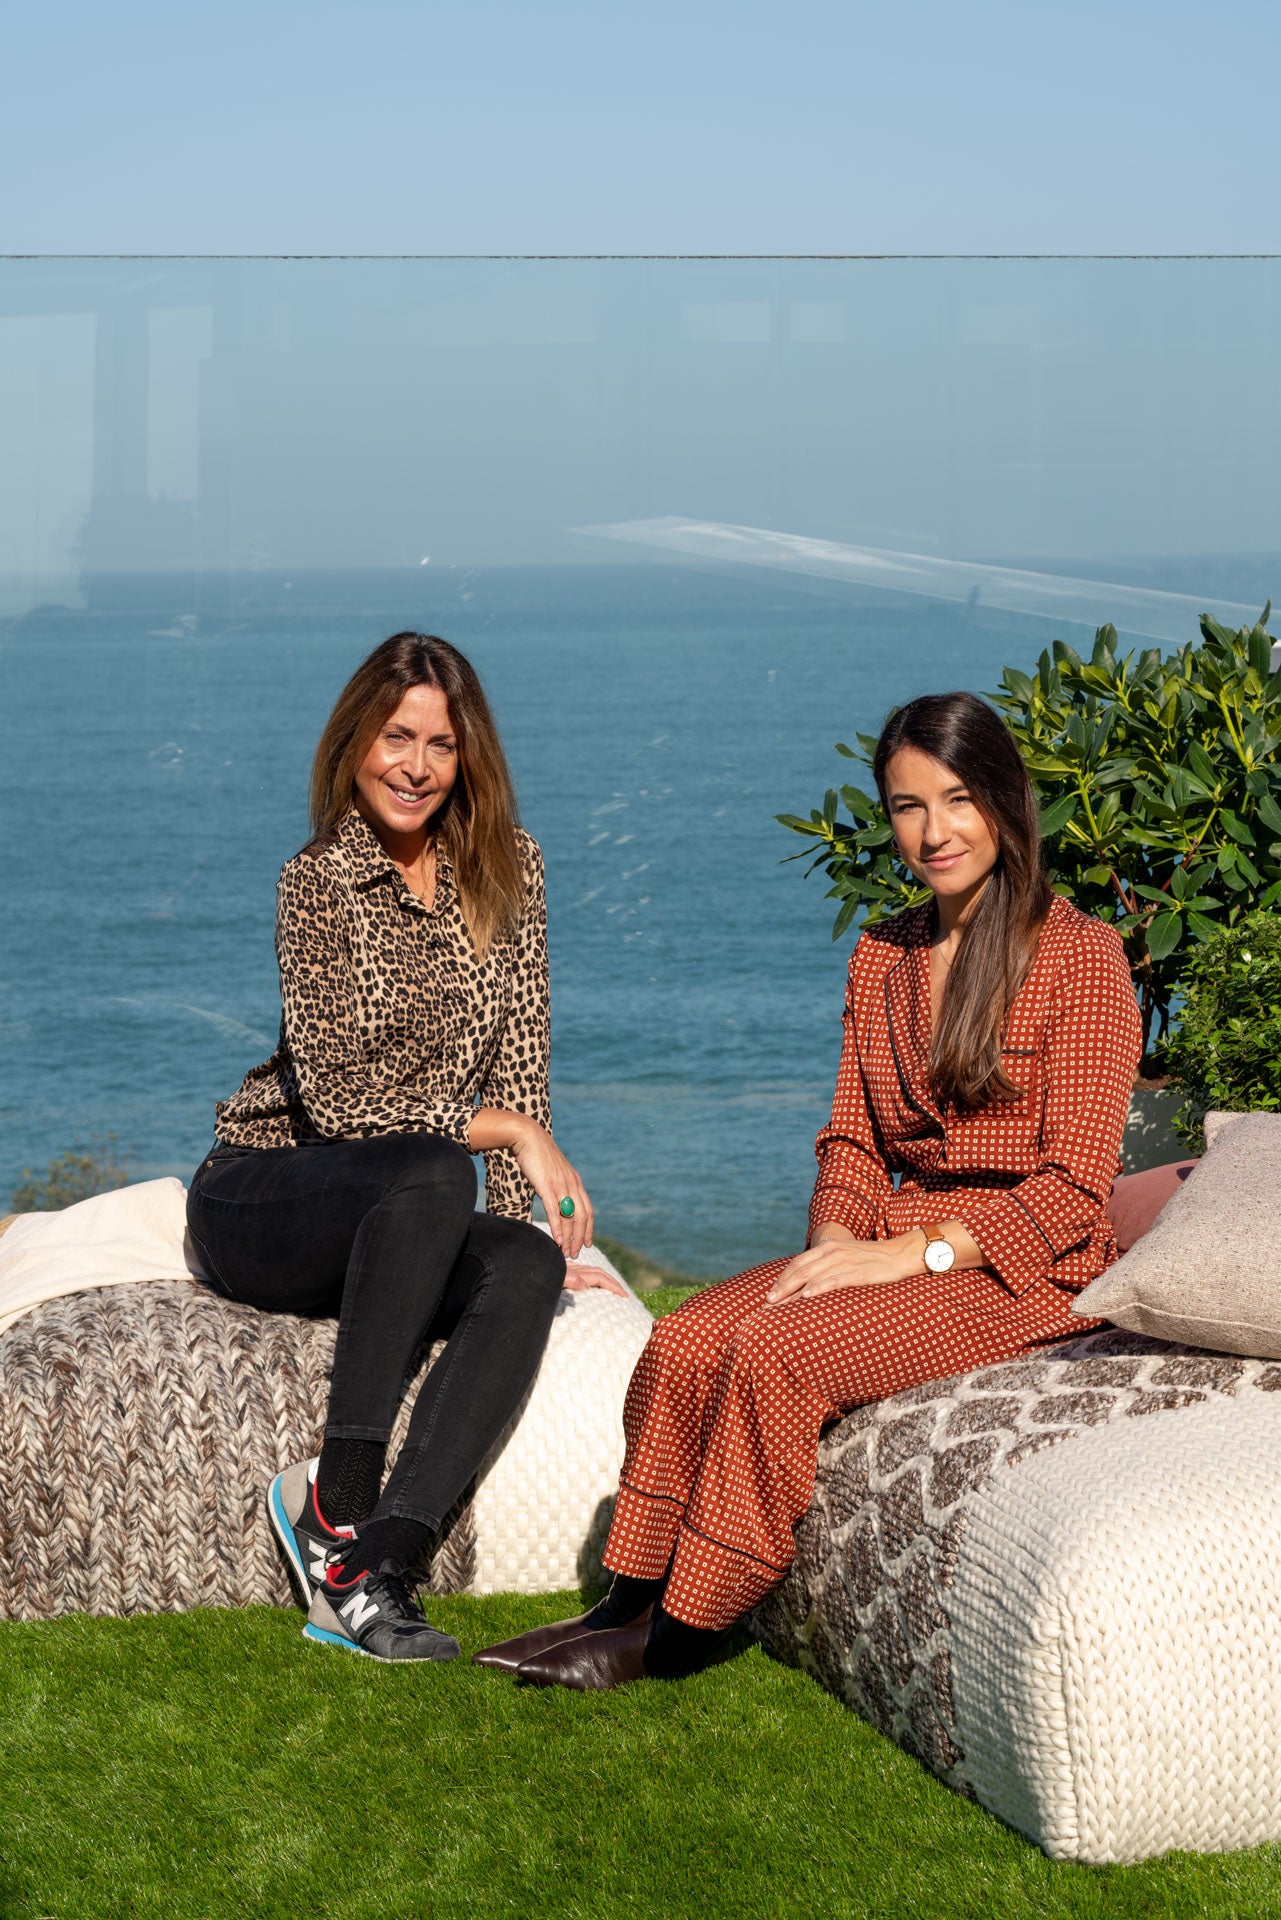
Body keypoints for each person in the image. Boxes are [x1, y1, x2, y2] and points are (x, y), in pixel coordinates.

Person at [475, 689, 1142, 1688]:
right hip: (897, 1240)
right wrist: (836, 1248)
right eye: (908, 807)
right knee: (690, 1334)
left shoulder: (1082, 958)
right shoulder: (884, 955)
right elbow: (853, 1143)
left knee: (778, 1354)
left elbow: (1074, 1189)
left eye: (956, 799)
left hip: (1026, 1268)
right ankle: (627, 1595)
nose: (934, 831)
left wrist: (906, 1256)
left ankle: (684, 1630)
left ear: (1004, 802)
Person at [187, 631, 614, 1664]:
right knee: (431, 1163)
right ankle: (333, 1505)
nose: (415, 766)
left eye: (439, 744)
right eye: (395, 737)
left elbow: (520, 1063)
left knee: (517, 1262)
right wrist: (510, 1133)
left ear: (469, 759)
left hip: (401, 1208)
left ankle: (378, 1562)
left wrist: (545, 1228)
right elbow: (339, 1102)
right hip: (269, 1192)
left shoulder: (512, 870)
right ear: (356, 741)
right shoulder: (316, 883)